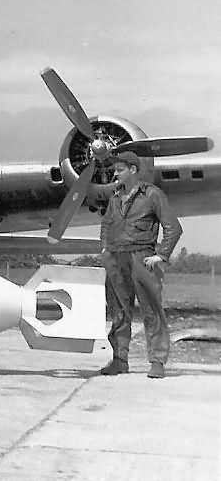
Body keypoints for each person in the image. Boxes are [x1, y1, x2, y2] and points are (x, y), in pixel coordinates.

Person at [99, 151, 182, 379]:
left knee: (151, 310)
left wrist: (161, 255)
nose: (115, 173)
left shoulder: (153, 194)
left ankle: (157, 362)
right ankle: (119, 359)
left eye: (120, 169)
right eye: (115, 169)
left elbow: (173, 228)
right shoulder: (115, 197)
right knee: (118, 311)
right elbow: (106, 224)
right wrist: (105, 249)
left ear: (133, 170)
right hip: (116, 259)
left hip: (142, 257)